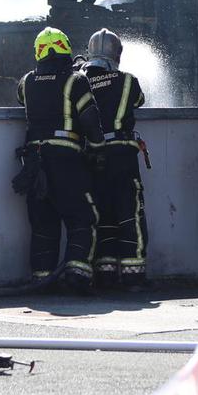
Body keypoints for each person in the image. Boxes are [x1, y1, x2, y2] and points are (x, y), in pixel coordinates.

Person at [16, 27, 106, 294]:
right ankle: (76, 276)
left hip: (34, 163)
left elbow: (22, 96)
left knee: (43, 222)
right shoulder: (76, 80)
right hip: (67, 161)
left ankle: (41, 278)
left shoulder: (27, 82)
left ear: (39, 52)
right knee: (83, 217)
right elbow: (90, 118)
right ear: (65, 48)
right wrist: (99, 149)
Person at [81, 28, 150, 290]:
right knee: (130, 213)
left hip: (93, 157)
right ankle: (134, 276)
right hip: (122, 155)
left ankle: (105, 274)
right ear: (117, 54)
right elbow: (140, 100)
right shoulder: (128, 81)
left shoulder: (81, 81)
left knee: (103, 215)